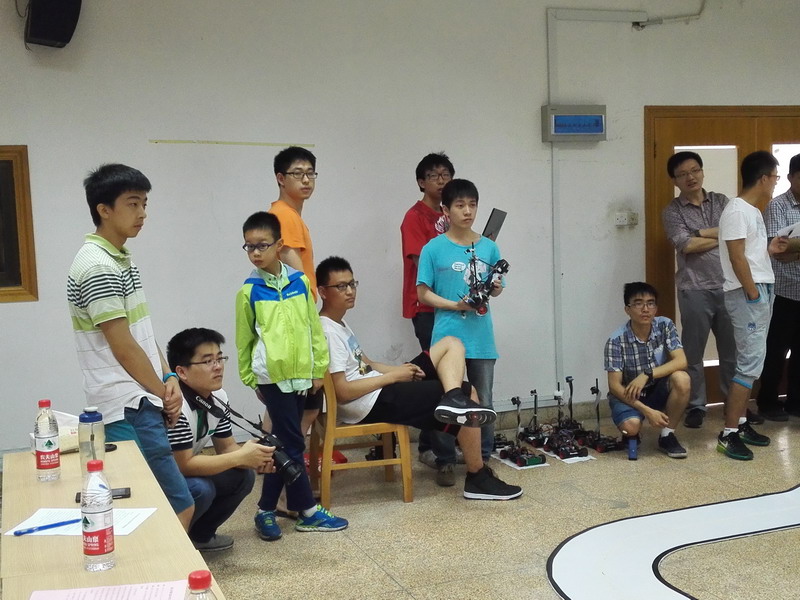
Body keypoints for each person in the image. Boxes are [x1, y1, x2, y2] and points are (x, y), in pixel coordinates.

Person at [316, 256, 520, 500]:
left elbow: (367, 364)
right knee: (469, 393)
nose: (350, 291)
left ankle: (453, 397)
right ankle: (477, 476)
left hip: (377, 389)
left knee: (451, 344)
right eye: (341, 286)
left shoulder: (339, 324)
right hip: (367, 403)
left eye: (352, 284)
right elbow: (342, 392)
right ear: (323, 292)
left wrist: (400, 370)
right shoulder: (327, 331)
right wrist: (394, 378)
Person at [67, 164, 194, 530]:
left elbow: (140, 334)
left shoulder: (120, 258)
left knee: (161, 505)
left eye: (144, 204)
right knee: (169, 506)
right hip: (126, 404)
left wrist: (168, 376)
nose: (142, 213)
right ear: (104, 210)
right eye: (133, 203)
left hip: (141, 398)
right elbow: (123, 347)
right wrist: (163, 393)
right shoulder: (97, 266)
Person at [234, 211, 346, 541]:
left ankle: (265, 510)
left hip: (303, 377)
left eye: (262, 245)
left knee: (282, 445)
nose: (256, 252)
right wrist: (251, 379)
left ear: (279, 245)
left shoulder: (300, 283)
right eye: (249, 246)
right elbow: (244, 340)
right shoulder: (248, 291)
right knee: (293, 443)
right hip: (273, 378)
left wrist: (317, 370)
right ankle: (308, 512)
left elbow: (314, 329)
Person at [166, 328, 275, 552]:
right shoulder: (176, 406)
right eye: (207, 361)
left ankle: (200, 537)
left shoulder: (218, 396)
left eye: (219, 358)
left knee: (242, 477)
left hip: (182, 472)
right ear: (182, 372)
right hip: (160, 480)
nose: (218, 367)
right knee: (200, 488)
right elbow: (183, 465)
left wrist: (256, 457)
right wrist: (241, 457)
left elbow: (227, 447)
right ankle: (175, 543)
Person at [416, 179, 502, 463]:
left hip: (480, 335)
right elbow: (423, 293)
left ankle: (483, 459)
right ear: (446, 210)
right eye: (460, 205)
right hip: (447, 333)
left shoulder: (489, 247)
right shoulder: (433, 248)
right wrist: (455, 305)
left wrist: (495, 288)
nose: (467, 211)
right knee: (447, 399)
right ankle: (445, 459)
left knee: (484, 400)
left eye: (472, 205)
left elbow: (497, 287)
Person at [717, 150, 788, 460]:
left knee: (754, 363)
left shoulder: (753, 211)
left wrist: (770, 248)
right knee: (747, 367)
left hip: (759, 290)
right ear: (763, 178)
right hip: (748, 293)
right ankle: (728, 433)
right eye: (775, 177)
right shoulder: (736, 211)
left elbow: (749, 253)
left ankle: (742, 423)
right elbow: (736, 257)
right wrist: (753, 294)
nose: (775, 182)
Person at [662, 151, 738, 429]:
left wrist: (699, 233)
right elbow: (686, 245)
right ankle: (695, 406)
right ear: (675, 180)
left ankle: (734, 404)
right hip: (693, 289)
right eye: (683, 174)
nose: (690, 177)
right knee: (692, 354)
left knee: (731, 352)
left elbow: (735, 233)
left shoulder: (721, 201)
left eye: (695, 170)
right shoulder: (672, 211)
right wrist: (718, 235)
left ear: (702, 172)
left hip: (729, 286)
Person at [400, 152, 462, 485]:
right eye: (434, 175)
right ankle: (438, 452)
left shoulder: (453, 215)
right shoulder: (415, 217)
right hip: (427, 309)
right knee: (439, 379)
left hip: (456, 307)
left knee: (452, 377)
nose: (441, 180)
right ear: (421, 182)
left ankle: (440, 444)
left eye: (446, 174)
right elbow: (423, 261)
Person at [268, 146, 323, 509]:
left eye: (310, 173)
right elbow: (297, 280)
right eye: (297, 173)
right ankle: (292, 490)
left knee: (287, 416)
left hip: (292, 327)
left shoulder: (288, 215)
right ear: (280, 178)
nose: (306, 180)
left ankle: (280, 489)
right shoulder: (284, 216)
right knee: (297, 416)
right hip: (293, 329)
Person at [604, 282, 691, 458]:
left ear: (656, 308)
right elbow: (614, 386)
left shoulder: (665, 325)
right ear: (627, 310)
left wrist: (647, 374)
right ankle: (632, 430)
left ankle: (667, 435)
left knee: (682, 378)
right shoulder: (616, 341)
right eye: (638, 304)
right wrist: (646, 411)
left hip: (656, 387)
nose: (645, 309)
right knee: (631, 427)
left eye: (650, 303)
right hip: (629, 394)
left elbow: (681, 361)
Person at [756, 153, 800, 420]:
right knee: (775, 350)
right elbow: (777, 247)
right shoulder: (778, 206)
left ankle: (796, 402)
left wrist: (795, 250)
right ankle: (768, 402)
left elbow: (790, 247)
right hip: (783, 292)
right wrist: (790, 249)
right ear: (791, 177)